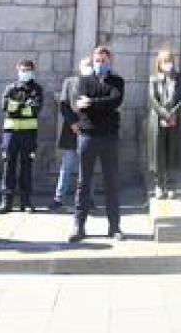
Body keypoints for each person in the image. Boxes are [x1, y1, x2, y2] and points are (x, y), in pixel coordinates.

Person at [68, 46, 125, 243]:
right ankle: (78, 225)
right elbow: (79, 105)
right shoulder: (84, 81)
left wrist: (91, 102)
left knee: (112, 182)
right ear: (93, 61)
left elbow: (115, 100)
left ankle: (114, 226)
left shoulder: (117, 81)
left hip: (109, 136)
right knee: (84, 182)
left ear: (110, 61)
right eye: (97, 60)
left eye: (104, 60)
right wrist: (97, 104)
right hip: (88, 136)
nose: (100, 63)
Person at [0, 60, 44, 213]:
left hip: (28, 134)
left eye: (28, 69)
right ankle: (6, 202)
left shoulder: (36, 89)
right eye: (23, 69)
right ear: (18, 70)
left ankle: (26, 201)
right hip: (10, 134)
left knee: (27, 167)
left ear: (33, 71)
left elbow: (35, 110)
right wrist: (24, 106)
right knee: (8, 166)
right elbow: (5, 106)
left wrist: (16, 106)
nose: (26, 72)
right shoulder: (10, 88)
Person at [52, 58, 95, 212]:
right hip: (72, 130)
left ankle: (88, 199)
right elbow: (63, 105)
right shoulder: (69, 82)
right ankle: (59, 198)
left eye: (90, 65)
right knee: (67, 165)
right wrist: (73, 123)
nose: (88, 68)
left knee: (88, 167)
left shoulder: (96, 83)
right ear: (80, 67)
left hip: (90, 128)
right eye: (86, 65)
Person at [146, 49, 181, 200]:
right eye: (164, 61)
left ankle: (171, 184)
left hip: (174, 120)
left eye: (169, 61)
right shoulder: (153, 79)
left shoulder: (180, 78)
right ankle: (158, 184)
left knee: (172, 152)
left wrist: (172, 114)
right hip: (157, 120)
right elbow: (152, 99)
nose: (167, 64)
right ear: (159, 63)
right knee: (158, 153)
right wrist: (164, 114)